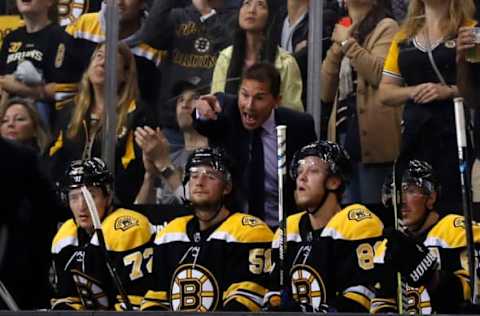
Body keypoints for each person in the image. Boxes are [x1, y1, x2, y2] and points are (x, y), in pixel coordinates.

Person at [141, 147, 273, 311]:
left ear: (227, 187)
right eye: (194, 176)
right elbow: (156, 300)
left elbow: (243, 304)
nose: (199, 181)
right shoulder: (169, 235)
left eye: (210, 176)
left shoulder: (249, 232)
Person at [264, 140, 385, 312]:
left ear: (334, 181)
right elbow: (273, 295)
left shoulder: (357, 224)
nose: (302, 177)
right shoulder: (287, 230)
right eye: (299, 172)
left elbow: (360, 301)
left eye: (313, 171)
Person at [378, 0, 476, 212]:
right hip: (415, 132)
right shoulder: (403, 37)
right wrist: (413, 91)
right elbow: (385, 92)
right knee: (415, 199)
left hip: (453, 129)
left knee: (453, 202)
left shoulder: (470, 29)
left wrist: (449, 91)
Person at [194, 63, 316, 228]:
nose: (249, 105)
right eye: (244, 95)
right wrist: (201, 110)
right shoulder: (227, 110)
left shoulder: (299, 126)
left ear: (276, 101)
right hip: (233, 231)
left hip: (283, 230)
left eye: (259, 98)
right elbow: (204, 123)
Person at [371, 160, 480, 314]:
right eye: (396, 192)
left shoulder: (454, 231)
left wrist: (431, 275)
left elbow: (470, 294)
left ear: (431, 197)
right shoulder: (387, 248)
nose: (401, 201)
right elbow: (382, 302)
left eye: (410, 191)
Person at [322, 0, 401, 209]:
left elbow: (380, 74)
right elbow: (325, 91)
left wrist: (348, 45)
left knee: (374, 211)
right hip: (344, 132)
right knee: (349, 215)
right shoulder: (342, 32)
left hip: (375, 138)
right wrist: (337, 49)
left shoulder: (387, 27)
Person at [48, 43, 147, 204]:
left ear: (125, 75)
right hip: (70, 202)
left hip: (115, 203)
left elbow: (133, 169)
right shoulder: (70, 111)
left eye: (111, 60)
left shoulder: (137, 114)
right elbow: (53, 159)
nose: (101, 62)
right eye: (98, 56)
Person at [50, 158, 155, 310]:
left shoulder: (128, 229)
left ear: (108, 196)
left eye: (90, 196)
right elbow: (68, 300)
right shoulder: (65, 238)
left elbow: (135, 304)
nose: (81, 206)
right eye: (74, 197)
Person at [140, 0, 236, 139]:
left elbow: (231, 50)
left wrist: (207, 14)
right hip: (173, 120)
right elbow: (150, 37)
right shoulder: (177, 15)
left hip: (212, 121)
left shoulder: (234, 17)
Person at [56, 0, 163, 118]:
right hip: (77, 117)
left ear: (143, 3)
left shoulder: (155, 46)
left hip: (129, 123)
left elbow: (152, 105)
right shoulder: (81, 26)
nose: (119, 2)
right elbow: (63, 87)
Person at [0, 0, 81, 129]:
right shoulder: (11, 38)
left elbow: (65, 88)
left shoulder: (61, 36)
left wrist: (21, 89)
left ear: (49, 2)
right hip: (10, 114)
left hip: (45, 118)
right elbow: (4, 83)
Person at [211, 0, 303, 112]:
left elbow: (292, 113)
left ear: (270, 15)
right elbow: (216, 105)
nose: (251, 10)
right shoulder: (226, 58)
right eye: (247, 3)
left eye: (260, 4)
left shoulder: (286, 63)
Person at [134, 78, 209, 205]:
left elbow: (195, 207)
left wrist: (164, 166)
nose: (185, 104)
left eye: (194, 98)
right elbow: (140, 213)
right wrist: (150, 175)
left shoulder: (212, 157)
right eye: (181, 100)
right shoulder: (170, 155)